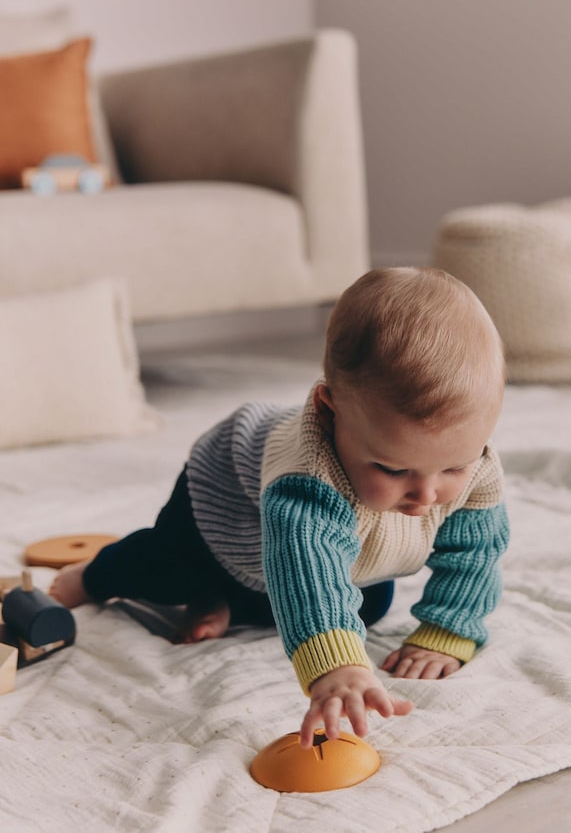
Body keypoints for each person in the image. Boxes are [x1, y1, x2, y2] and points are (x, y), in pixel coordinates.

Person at [51, 267, 509, 748]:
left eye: (453, 468)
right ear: (331, 411)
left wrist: (448, 629)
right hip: (221, 507)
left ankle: (229, 599)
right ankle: (95, 575)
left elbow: (474, 555)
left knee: (368, 604)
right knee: (166, 572)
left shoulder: (474, 469)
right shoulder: (307, 479)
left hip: (340, 546)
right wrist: (339, 667)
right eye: (394, 470)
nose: (427, 495)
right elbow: (306, 570)